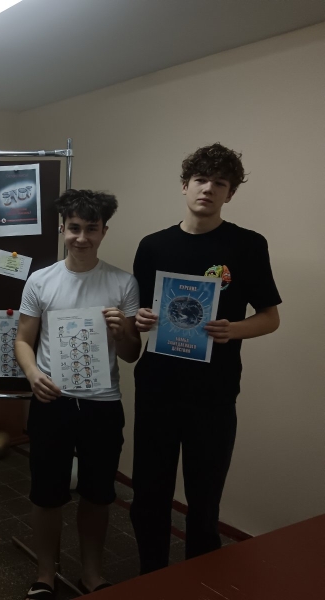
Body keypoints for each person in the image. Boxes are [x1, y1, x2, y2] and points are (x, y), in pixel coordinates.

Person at [129, 143, 281, 574]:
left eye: (220, 183)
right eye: (200, 180)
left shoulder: (248, 245)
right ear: (184, 185)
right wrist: (140, 318)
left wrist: (233, 330)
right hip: (157, 389)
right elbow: (139, 312)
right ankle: (151, 579)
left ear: (230, 193)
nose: (208, 189)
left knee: (204, 501)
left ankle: (199, 582)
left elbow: (270, 318)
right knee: (149, 496)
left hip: (213, 394)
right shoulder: (153, 246)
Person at [15, 189, 141, 598]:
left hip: (102, 404)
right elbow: (23, 339)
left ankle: (91, 574)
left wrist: (122, 332)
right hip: (51, 401)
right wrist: (33, 374)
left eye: (91, 228)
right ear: (62, 229)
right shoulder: (41, 280)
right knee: (46, 493)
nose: (82, 237)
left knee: (98, 494)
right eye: (74, 228)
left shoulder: (123, 283)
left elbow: (132, 353)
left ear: (104, 231)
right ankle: (45, 574)